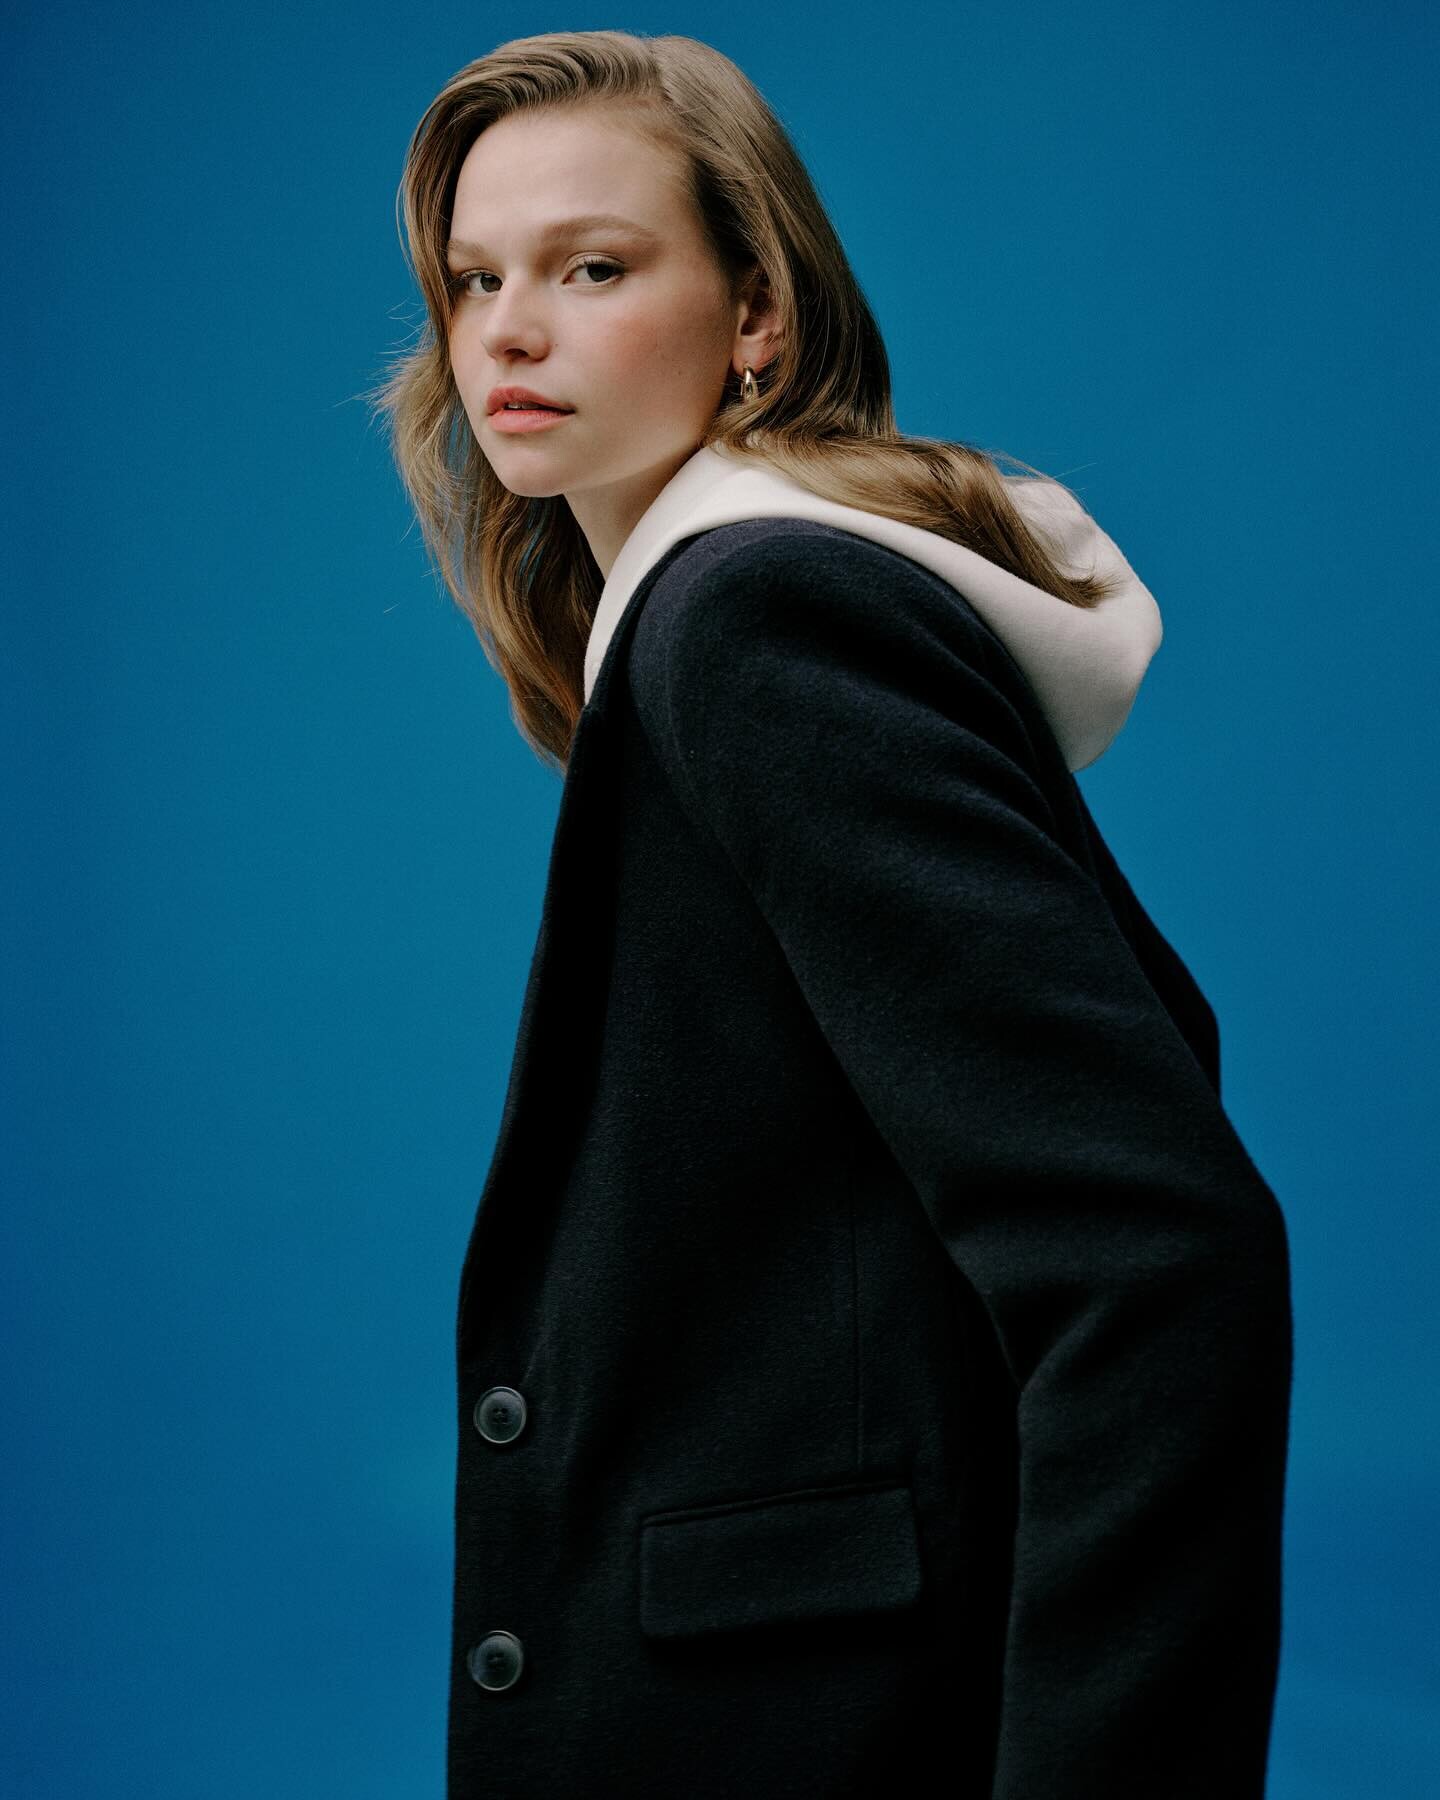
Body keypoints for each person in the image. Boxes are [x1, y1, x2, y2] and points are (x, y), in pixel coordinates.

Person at [369, 29, 1294, 1800]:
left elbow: (1159, 1251)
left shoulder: (754, 625)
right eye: (474, 279)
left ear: (759, 317)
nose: (508, 331)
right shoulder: (711, 625)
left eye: (592, 267)